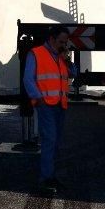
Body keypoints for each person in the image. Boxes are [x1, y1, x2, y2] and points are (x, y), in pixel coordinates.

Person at [23, 24, 77, 194]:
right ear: (52, 39)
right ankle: (46, 178)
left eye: (66, 42)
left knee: (55, 142)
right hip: (46, 104)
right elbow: (28, 79)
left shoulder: (61, 56)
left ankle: (51, 176)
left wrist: (67, 59)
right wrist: (38, 99)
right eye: (61, 41)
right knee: (50, 140)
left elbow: (73, 74)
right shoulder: (36, 53)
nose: (64, 45)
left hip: (60, 104)